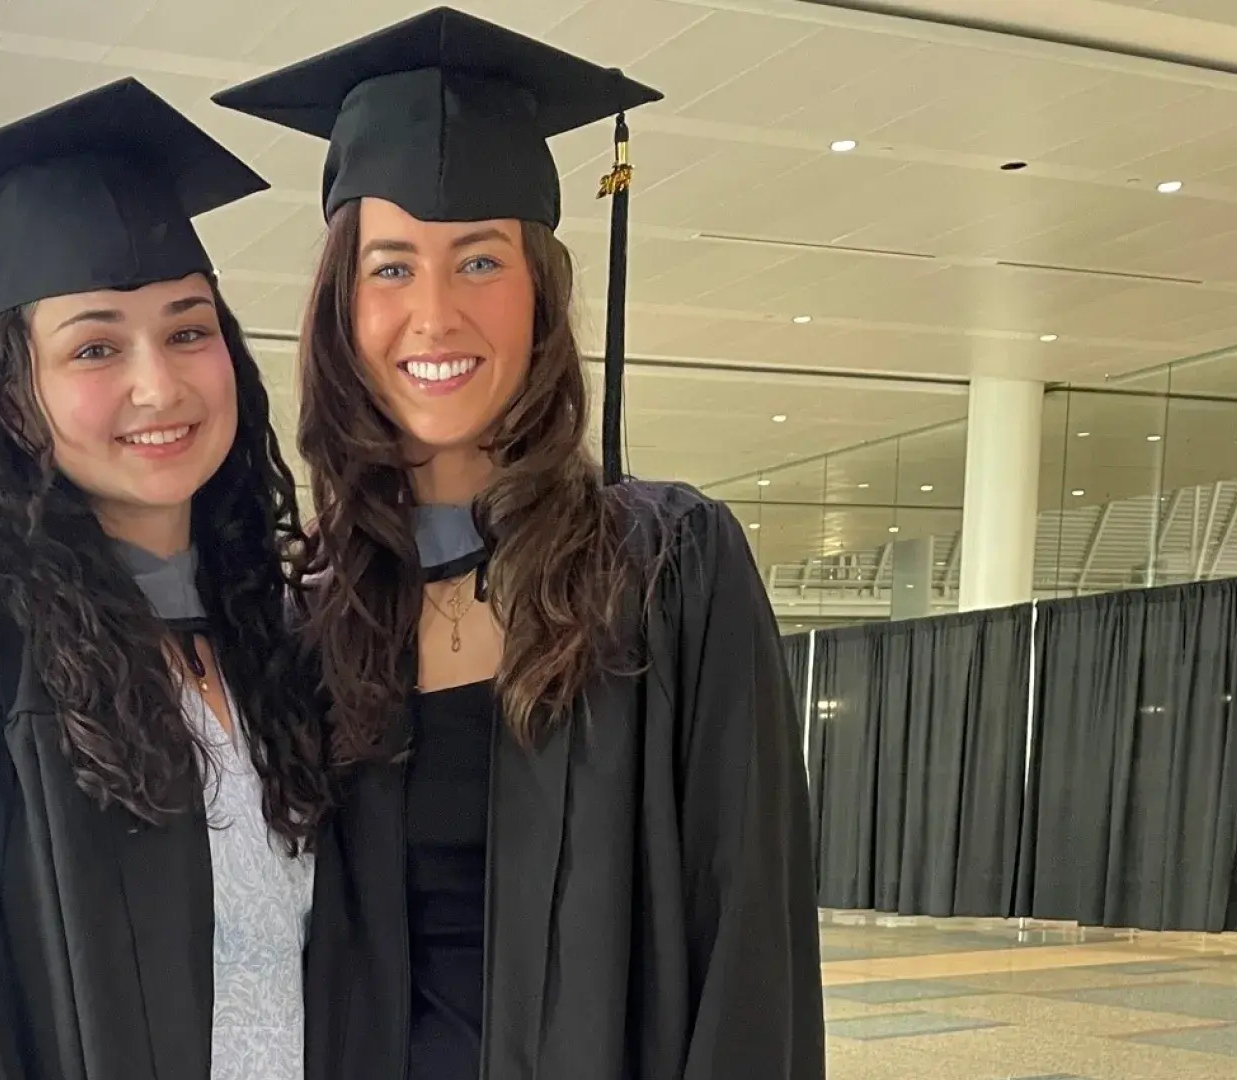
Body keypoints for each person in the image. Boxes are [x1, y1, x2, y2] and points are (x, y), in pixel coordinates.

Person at [216, 9, 826, 1080]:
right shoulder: (314, 614)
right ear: (341, 309)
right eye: (392, 267)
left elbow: (749, 948)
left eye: (481, 260)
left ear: (539, 288)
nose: (437, 313)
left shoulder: (670, 572)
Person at [0, 78, 329, 1079]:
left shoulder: (274, 646)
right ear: (15, 400)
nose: (160, 383)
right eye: (95, 346)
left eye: (189, 329)